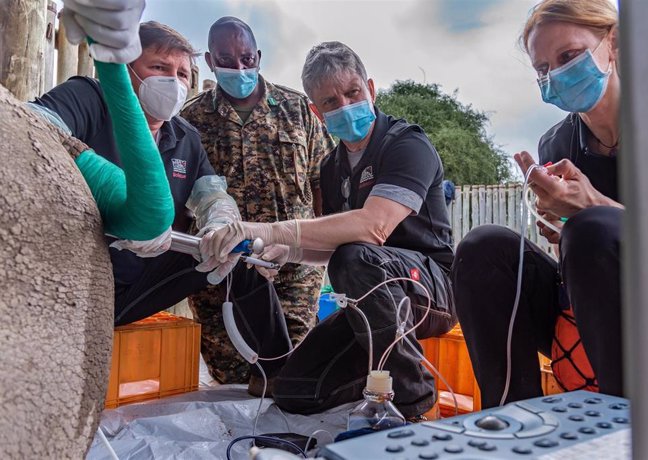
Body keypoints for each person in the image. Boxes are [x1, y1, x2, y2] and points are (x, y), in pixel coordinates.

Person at [201, 41, 457, 419]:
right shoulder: (332, 167)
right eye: (331, 102)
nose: (345, 106)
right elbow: (335, 245)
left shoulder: (406, 143)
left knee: (355, 258)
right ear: (316, 112)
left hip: (432, 288)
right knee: (294, 390)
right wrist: (290, 252)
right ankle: (375, 383)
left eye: (352, 93)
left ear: (370, 89)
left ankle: (411, 402)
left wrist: (273, 231)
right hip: (373, 298)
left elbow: (373, 228)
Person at [451, 0, 624, 408]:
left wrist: (593, 208)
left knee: (592, 229)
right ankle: (512, 420)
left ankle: (627, 423)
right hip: (590, 318)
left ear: (613, 43)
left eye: (568, 56)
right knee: (483, 248)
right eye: (543, 69)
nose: (557, 75)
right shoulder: (558, 144)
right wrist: (563, 230)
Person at [31, 21, 242, 326]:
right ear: (126, 68)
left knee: (240, 255)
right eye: (159, 67)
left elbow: (211, 194)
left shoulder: (186, 138)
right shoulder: (87, 98)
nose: (174, 82)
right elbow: (31, 127)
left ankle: (274, 368)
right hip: (65, 277)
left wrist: (221, 224)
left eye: (182, 74)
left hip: (136, 288)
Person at [181, 17, 335, 392]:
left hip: (292, 265)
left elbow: (322, 182)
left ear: (259, 56)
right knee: (230, 374)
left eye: (247, 58)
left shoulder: (298, 110)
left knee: (289, 370)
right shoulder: (191, 119)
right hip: (222, 267)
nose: (239, 68)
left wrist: (319, 244)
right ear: (210, 60)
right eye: (228, 59)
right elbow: (181, 193)